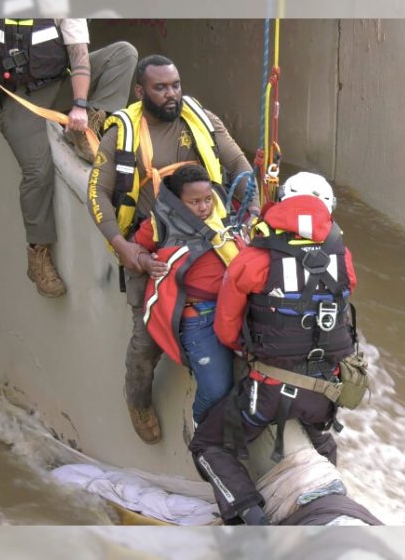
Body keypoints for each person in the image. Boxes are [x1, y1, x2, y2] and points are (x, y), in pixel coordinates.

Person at [87, 55, 255, 444]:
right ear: (140, 91)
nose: (171, 94)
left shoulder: (201, 118)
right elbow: (97, 193)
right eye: (160, 88)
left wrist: (253, 209)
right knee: (146, 340)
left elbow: (238, 164)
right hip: (151, 249)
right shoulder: (123, 133)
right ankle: (138, 401)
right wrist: (123, 247)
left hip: (209, 242)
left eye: (175, 85)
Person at [188, 172, 359, 525]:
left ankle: (248, 515)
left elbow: (226, 328)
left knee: (209, 444)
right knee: (322, 441)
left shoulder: (254, 259)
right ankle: (328, 499)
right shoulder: (343, 257)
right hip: (324, 394)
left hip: (266, 393)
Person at [0, 18, 137, 298]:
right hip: (18, 98)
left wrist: (80, 106)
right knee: (38, 172)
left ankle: (91, 122)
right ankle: (38, 253)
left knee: (123, 54)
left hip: (59, 82)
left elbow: (79, 52)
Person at [135, 164, 243, 426]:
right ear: (179, 202)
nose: (204, 207)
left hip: (237, 308)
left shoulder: (223, 211)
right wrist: (145, 260)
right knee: (217, 389)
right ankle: (200, 427)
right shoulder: (160, 221)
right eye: (194, 202)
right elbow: (136, 245)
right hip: (198, 317)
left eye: (207, 199)